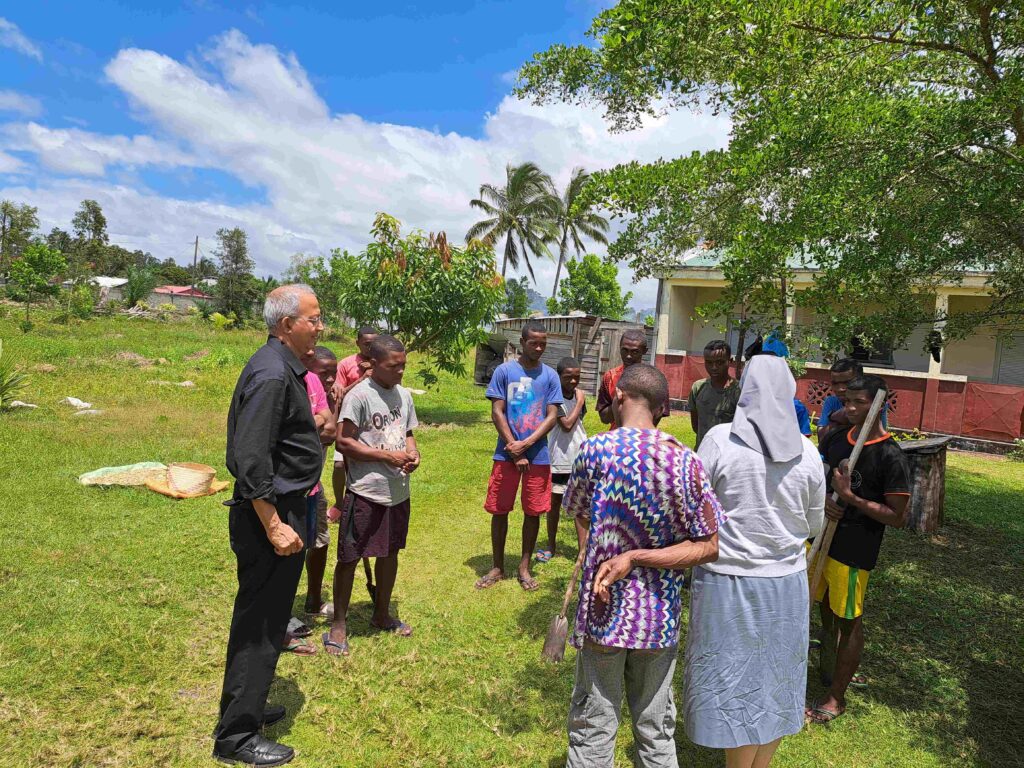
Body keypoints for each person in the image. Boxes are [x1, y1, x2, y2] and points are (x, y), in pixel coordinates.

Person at [564, 364, 723, 768]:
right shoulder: (686, 463)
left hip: (603, 612)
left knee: (594, 722)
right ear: (663, 407)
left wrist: (617, 554)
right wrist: (642, 557)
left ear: (618, 396)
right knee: (655, 727)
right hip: (658, 616)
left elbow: (579, 512)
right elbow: (708, 547)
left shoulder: (594, 452)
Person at [685, 355, 826, 768]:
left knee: (733, 682)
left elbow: (695, 507)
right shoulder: (809, 452)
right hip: (786, 583)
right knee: (775, 681)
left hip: (727, 581)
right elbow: (814, 523)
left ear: (745, 389)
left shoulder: (719, 440)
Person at [213, 284, 325, 767]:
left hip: (285, 507)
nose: (321, 327)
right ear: (287, 325)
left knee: (272, 618)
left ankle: (249, 708)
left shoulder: (283, 368)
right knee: (259, 626)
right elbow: (250, 456)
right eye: (314, 319)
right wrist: (275, 523)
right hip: (270, 515)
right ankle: (235, 738)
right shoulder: (273, 375)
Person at [808, 374, 910, 724]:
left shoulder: (890, 456)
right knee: (820, 607)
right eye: (847, 401)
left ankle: (836, 697)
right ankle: (824, 669)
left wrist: (851, 498)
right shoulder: (837, 439)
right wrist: (823, 499)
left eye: (859, 402)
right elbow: (813, 478)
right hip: (819, 539)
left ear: (879, 405)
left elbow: (897, 516)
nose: (850, 408)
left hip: (854, 551)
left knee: (848, 620)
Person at [323, 335, 420, 656]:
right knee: (349, 557)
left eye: (404, 365)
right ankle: (339, 624)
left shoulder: (404, 396)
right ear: (373, 364)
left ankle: (381, 613)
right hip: (365, 492)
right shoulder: (360, 396)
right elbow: (343, 442)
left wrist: (412, 453)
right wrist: (386, 458)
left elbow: (407, 433)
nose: (401, 372)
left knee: (390, 553)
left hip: (397, 492)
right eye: (395, 366)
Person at [475, 320, 562, 592]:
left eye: (543, 344)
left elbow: (552, 416)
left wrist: (527, 444)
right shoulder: (504, 371)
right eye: (533, 342)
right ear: (522, 342)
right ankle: (498, 565)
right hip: (506, 453)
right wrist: (513, 446)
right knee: (500, 509)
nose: (538, 347)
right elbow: (497, 411)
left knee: (533, 511)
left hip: (538, 455)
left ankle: (524, 567)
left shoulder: (550, 376)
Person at [329, 327, 378, 600]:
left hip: (369, 428)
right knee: (339, 466)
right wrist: (362, 379)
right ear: (358, 343)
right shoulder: (346, 365)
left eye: (374, 343)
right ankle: (340, 503)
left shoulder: (380, 361)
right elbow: (340, 394)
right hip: (347, 425)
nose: (370, 348)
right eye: (366, 343)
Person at [535, 356, 587, 563]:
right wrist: (580, 401)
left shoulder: (578, 394)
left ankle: (583, 551)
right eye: (568, 377)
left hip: (580, 456)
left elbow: (578, 426)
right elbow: (566, 424)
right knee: (554, 503)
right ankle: (551, 545)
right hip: (559, 458)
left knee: (581, 505)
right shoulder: (553, 398)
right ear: (558, 376)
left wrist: (580, 400)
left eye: (577, 377)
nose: (573, 381)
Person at [302, 345, 339, 618]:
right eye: (323, 374)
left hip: (314, 483)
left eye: (333, 374)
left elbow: (331, 429)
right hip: (295, 484)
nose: (329, 380)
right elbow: (326, 434)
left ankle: (313, 601)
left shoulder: (327, 398)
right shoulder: (300, 392)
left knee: (320, 541)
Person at [596, 329, 669, 429]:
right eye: (624, 350)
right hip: (616, 439)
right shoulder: (610, 377)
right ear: (619, 348)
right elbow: (604, 418)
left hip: (644, 439)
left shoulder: (654, 379)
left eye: (635, 352)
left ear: (645, 351)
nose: (628, 356)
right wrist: (618, 401)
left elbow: (658, 416)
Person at [816, 358, 887, 444]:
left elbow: (878, 436)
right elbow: (822, 437)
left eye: (846, 382)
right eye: (835, 383)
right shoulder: (831, 401)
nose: (840, 389)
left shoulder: (874, 403)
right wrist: (837, 418)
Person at [688, 340, 741, 449]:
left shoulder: (739, 391)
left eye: (720, 362)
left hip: (727, 455)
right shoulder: (698, 387)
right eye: (709, 362)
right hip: (702, 452)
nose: (714, 367)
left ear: (730, 361)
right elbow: (695, 425)